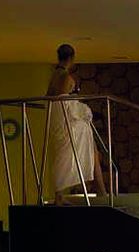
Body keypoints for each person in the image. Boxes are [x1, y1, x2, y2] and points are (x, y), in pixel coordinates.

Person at [47, 43, 109, 203]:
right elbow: (64, 103)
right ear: (71, 58)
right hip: (68, 122)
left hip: (61, 120)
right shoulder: (65, 77)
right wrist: (84, 111)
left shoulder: (54, 75)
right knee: (84, 151)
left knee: (91, 150)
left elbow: (52, 99)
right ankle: (100, 191)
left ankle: (100, 190)